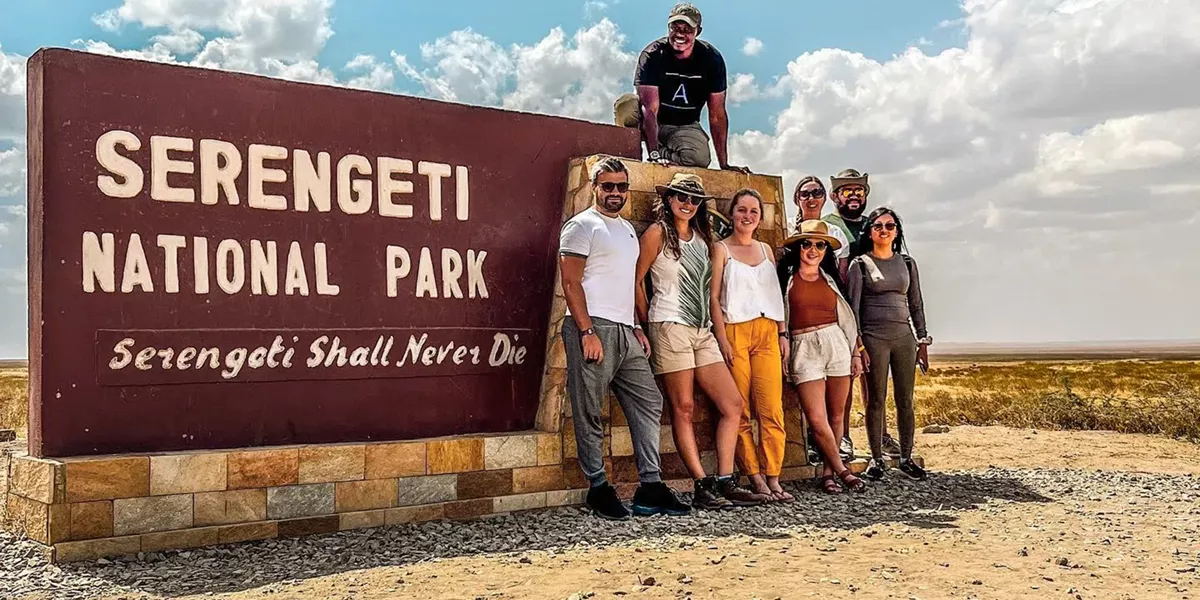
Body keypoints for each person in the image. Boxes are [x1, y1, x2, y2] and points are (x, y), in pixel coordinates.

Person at [559, 156, 693, 520]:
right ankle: (598, 488)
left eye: (621, 186)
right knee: (590, 411)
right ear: (594, 186)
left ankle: (650, 487)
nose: (615, 192)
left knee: (649, 401)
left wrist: (636, 325)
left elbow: (628, 281)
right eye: (608, 186)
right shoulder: (581, 226)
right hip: (592, 327)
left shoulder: (627, 230)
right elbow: (570, 282)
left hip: (624, 328)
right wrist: (586, 330)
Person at [635, 173, 769, 510]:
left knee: (732, 405)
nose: (687, 203)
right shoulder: (657, 234)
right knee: (683, 408)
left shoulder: (702, 239)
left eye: (694, 199)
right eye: (681, 196)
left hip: (702, 329)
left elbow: (710, 293)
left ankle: (724, 479)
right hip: (669, 325)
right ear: (668, 199)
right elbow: (636, 281)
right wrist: (643, 322)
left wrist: (717, 332)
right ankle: (701, 484)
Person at [710, 188, 793, 502]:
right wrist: (722, 339)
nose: (747, 216)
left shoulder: (766, 250)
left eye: (753, 211)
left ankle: (774, 476)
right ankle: (755, 477)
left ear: (760, 217)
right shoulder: (721, 249)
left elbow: (775, 294)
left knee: (772, 409)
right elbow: (714, 298)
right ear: (732, 213)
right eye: (742, 210)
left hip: (768, 332)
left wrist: (782, 333)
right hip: (736, 331)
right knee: (740, 410)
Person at [779, 219, 867, 494]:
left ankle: (829, 475)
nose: (813, 249)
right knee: (816, 418)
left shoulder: (831, 280)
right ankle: (843, 470)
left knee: (836, 415)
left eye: (820, 245)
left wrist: (855, 352)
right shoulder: (786, 279)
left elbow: (847, 319)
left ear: (827, 250)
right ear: (798, 247)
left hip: (836, 343)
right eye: (807, 243)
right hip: (804, 346)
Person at [847, 207, 932, 482]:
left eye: (890, 226)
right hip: (874, 337)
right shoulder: (860, 264)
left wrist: (922, 339)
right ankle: (876, 459)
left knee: (905, 399)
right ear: (870, 231)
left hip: (904, 338)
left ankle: (906, 457)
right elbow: (853, 309)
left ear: (897, 232)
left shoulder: (907, 263)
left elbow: (916, 303)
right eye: (878, 226)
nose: (884, 230)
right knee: (876, 399)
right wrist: (858, 345)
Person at [614, 3, 748, 172]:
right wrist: (654, 155)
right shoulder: (653, 55)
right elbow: (649, 110)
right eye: (675, 27)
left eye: (687, 30)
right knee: (626, 105)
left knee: (699, 158)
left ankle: (665, 154)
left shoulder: (711, 59)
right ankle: (632, 154)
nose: (680, 34)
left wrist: (724, 164)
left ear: (697, 31)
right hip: (651, 119)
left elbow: (717, 115)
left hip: (684, 125)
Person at [822, 169, 897, 459]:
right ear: (835, 196)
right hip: (840, 308)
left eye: (859, 190)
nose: (854, 195)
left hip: (873, 309)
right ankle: (843, 437)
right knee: (844, 376)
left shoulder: (874, 225)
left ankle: (880, 435)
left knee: (875, 378)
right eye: (847, 190)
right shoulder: (829, 226)